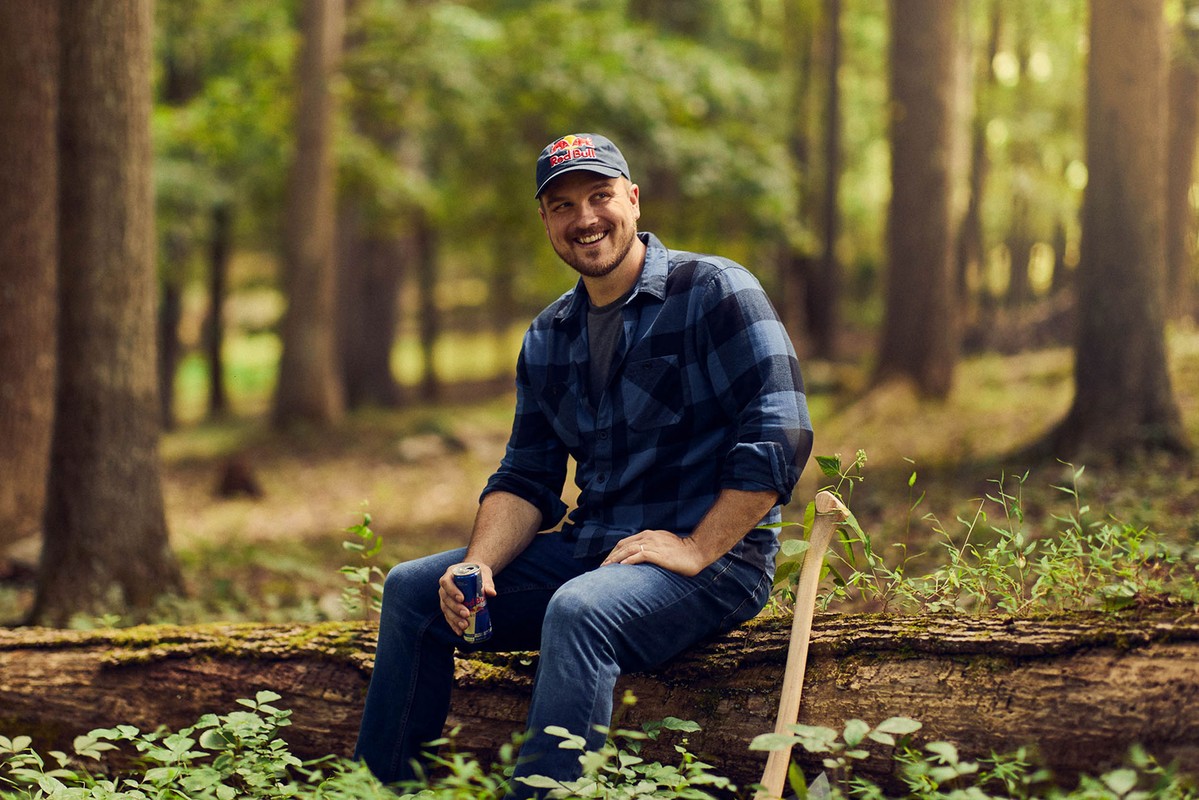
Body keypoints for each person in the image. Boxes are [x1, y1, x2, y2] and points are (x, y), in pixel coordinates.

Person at [354, 132, 813, 797]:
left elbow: (781, 433)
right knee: (411, 589)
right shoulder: (549, 334)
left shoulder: (714, 290)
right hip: (595, 549)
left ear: (633, 199)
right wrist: (477, 567)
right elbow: (526, 476)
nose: (585, 218)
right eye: (563, 205)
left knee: (578, 609)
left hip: (715, 564)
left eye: (600, 196)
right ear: (545, 219)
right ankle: (381, 788)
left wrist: (694, 547)